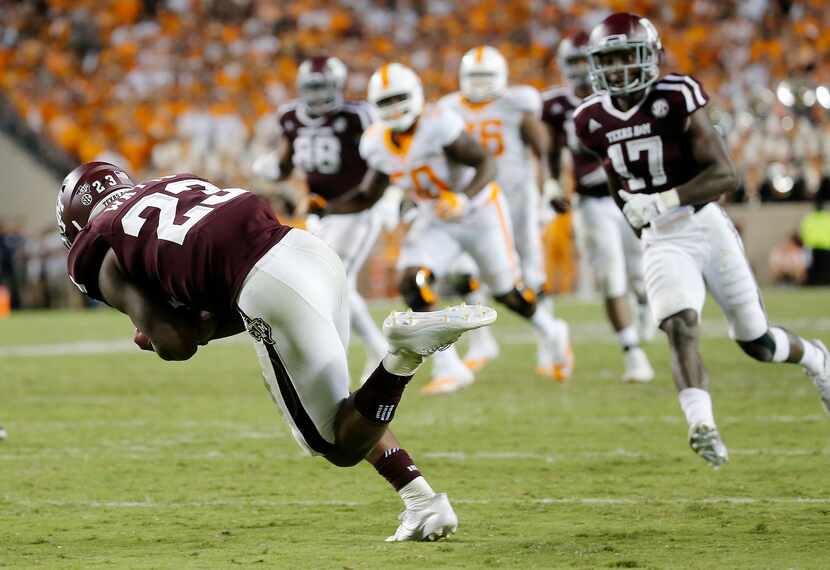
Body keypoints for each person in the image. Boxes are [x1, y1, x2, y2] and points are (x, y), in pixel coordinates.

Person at [57, 161, 497, 540]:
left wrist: (161, 334)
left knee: (334, 441)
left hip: (267, 283)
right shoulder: (170, 184)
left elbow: (177, 343)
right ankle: (422, 502)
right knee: (344, 407)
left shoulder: (100, 244)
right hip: (308, 251)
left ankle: (402, 358)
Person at [573, 12, 830, 467]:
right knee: (679, 324)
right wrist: (640, 222)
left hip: (704, 223)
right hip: (663, 239)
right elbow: (616, 178)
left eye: (623, 58)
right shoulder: (590, 119)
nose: (615, 70)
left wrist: (663, 200)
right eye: (607, 61)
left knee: (757, 342)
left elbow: (724, 174)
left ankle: (815, 357)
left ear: (649, 57)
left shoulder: (676, 96)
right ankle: (702, 425)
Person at [344, 62, 569, 396]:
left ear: (416, 96)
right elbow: (367, 193)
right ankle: (449, 366)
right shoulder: (375, 142)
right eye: (385, 102)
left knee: (505, 291)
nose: (393, 108)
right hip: (436, 218)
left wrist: (464, 198)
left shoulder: (439, 125)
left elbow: (486, 164)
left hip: (480, 212)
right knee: (413, 280)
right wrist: (323, 206)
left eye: (399, 99)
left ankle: (551, 330)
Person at [252, 56, 398, 381]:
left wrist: (389, 196)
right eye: (311, 87)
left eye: (323, 86)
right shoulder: (290, 116)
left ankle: (365, 350)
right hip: (320, 211)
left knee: (337, 281)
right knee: (330, 281)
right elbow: (287, 162)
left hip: (357, 207)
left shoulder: (359, 115)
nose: (317, 94)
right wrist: (274, 169)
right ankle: (372, 349)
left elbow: (385, 156)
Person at [440, 45, 572, 380]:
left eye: (486, 76)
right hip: (476, 201)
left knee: (530, 272)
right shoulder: (449, 108)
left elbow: (541, 151)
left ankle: (548, 342)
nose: (480, 84)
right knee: (463, 270)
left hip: (517, 199)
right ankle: (482, 342)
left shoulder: (518, 103)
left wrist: (550, 187)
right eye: (474, 77)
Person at [542, 32, 654, 384]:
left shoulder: (617, 98)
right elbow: (550, 150)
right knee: (609, 275)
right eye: (571, 63)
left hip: (629, 193)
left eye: (581, 61)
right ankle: (632, 352)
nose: (577, 70)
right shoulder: (556, 106)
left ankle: (643, 303)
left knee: (640, 270)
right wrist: (552, 184)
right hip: (591, 200)